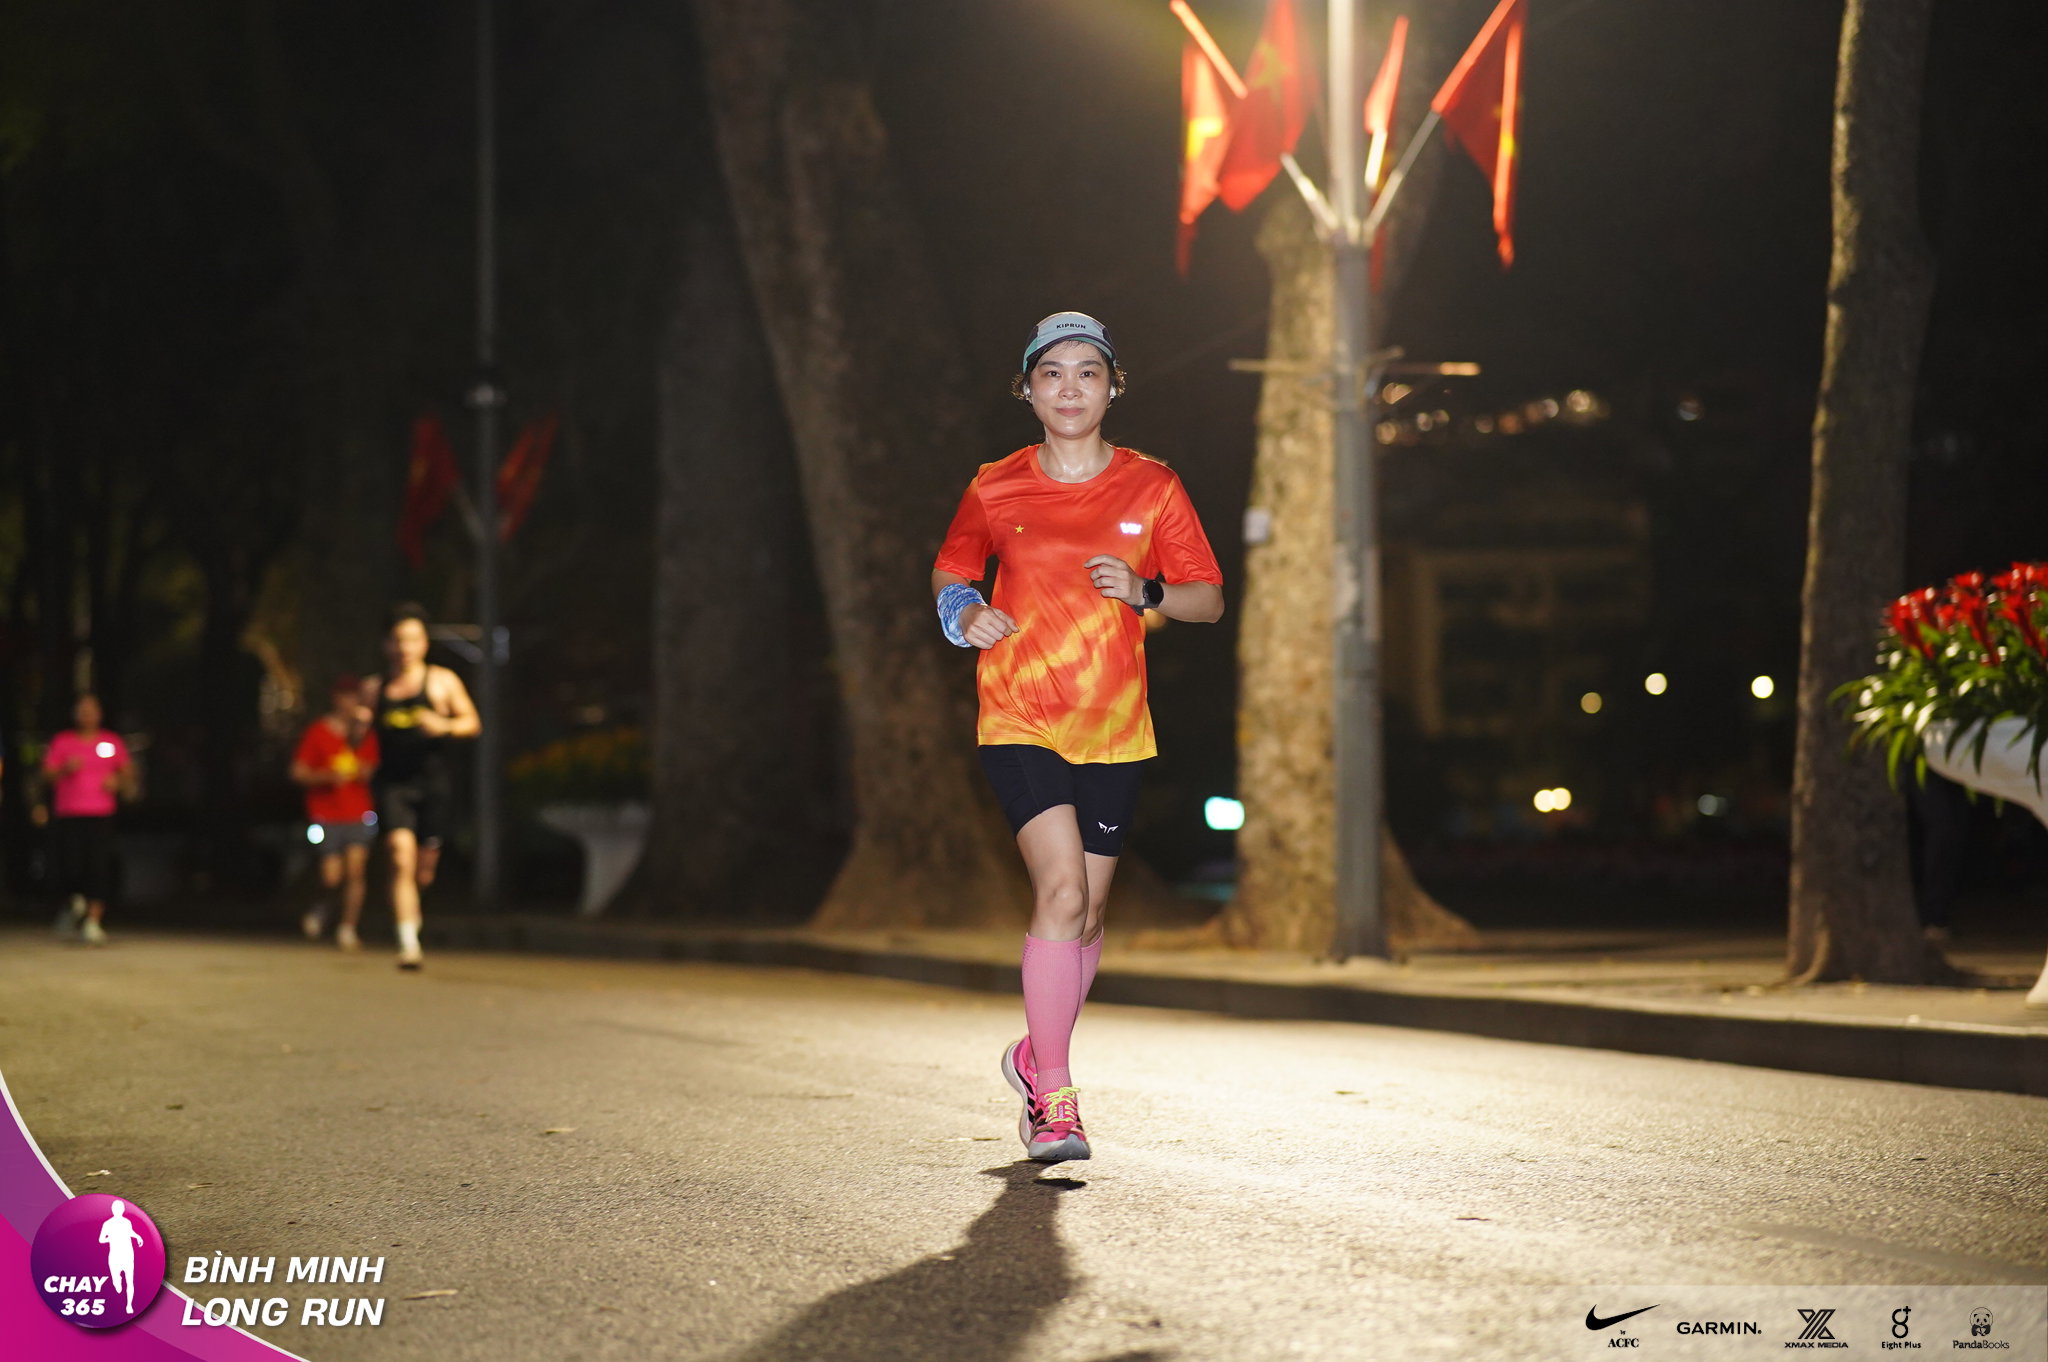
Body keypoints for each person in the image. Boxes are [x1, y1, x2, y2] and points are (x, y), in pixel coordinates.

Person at [932, 312, 1224, 1162]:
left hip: (1115, 725)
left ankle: (1034, 1053)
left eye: (1087, 372)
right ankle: (1054, 1103)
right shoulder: (995, 486)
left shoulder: (1153, 487)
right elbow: (954, 567)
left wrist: (1146, 590)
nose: (1069, 388)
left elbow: (1207, 599)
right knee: (1061, 893)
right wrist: (965, 613)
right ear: (1027, 390)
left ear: (1112, 387)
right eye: (1051, 373)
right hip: (1019, 713)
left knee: (1090, 913)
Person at [366, 604, 480, 970]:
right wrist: (357, 726)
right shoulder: (375, 688)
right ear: (387, 644)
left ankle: (412, 909)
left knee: (422, 871)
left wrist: (443, 725)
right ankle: (408, 943)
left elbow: (472, 723)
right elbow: (359, 737)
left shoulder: (442, 682)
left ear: (425, 643)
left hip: (434, 785)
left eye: (412, 639)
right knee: (400, 856)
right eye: (398, 640)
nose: (405, 647)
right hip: (393, 784)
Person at [290, 675, 381, 951]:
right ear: (336, 698)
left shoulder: (365, 733)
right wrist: (327, 776)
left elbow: (372, 768)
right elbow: (298, 772)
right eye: (346, 696)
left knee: (356, 871)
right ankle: (321, 906)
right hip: (325, 815)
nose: (350, 702)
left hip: (359, 812)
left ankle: (348, 927)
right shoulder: (318, 731)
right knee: (331, 876)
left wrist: (361, 768)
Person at [42, 694, 136, 946]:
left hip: (101, 813)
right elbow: (46, 775)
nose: (87, 715)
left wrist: (117, 781)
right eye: (82, 710)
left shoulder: (110, 742)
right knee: (71, 864)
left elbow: (128, 771)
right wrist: (65, 769)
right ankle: (75, 901)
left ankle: (93, 921)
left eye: (91, 710)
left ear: (99, 713)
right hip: (69, 813)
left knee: (99, 866)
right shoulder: (63, 741)